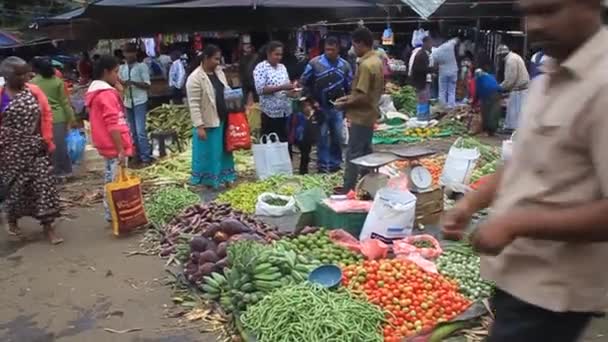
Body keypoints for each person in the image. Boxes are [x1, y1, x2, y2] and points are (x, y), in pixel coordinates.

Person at [442, 1, 608, 341]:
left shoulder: (602, 85)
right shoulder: (549, 76)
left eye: (548, 10)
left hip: (552, 293)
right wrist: (470, 203)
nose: (533, 25)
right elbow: (524, 159)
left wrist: (514, 224)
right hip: (515, 277)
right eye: (527, 12)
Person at [0, 57, 63, 244]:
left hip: (36, 148)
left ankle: (48, 228)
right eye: (18, 74)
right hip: (10, 152)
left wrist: (47, 139)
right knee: (15, 190)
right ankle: (12, 221)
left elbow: (46, 115)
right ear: (6, 75)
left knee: (44, 186)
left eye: (25, 73)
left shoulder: (33, 92)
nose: (23, 78)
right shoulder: (2, 95)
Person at [335, 27, 384, 192]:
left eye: (354, 45)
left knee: (353, 153)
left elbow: (362, 95)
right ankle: (367, 186)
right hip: (370, 113)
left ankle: (348, 188)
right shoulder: (377, 60)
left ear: (361, 44)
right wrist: (348, 98)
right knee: (366, 152)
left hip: (360, 115)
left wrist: (345, 103)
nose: (353, 49)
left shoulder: (365, 64)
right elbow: (366, 92)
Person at [86, 55, 134, 224]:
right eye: (115, 72)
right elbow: (113, 123)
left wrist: (119, 92)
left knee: (111, 178)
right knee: (115, 181)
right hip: (115, 145)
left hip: (107, 144)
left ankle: (112, 213)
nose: (117, 76)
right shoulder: (105, 94)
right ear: (106, 72)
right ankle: (116, 215)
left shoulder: (99, 93)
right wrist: (121, 149)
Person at [186, 44, 236, 189]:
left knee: (225, 151)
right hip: (207, 123)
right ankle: (208, 182)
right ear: (206, 58)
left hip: (223, 119)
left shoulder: (219, 72)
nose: (218, 62)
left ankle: (226, 177)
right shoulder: (195, 78)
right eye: (215, 59)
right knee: (208, 154)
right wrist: (199, 126)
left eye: (219, 59)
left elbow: (226, 90)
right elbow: (194, 104)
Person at [300, 36, 353, 173]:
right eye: (327, 49)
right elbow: (304, 83)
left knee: (337, 136)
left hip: (337, 108)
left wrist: (347, 105)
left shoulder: (345, 66)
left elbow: (349, 87)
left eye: (332, 50)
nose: (329, 52)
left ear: (338, 49)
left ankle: (335, 164)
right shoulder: (314, 63)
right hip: (319, 106)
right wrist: (311, 102)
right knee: (322, 137)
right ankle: (323, 165)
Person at [31, 58, 76, 179]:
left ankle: (53, 172)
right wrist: (71, 118)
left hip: (42, 118)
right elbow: (64, 102)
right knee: (61, 146)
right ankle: (66, 171)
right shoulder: (58, 81)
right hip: (58, 117)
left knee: (48, 147)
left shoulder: (33, 83)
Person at [253, 41, 294, 142]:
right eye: (276, 54)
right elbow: (260, 89)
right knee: (271, 142)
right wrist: (281, 87)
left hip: (285, 111)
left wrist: (293, 92)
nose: (279, 57)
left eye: (281, 54)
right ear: (268, 53)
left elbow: (286, 87)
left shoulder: (282, 67)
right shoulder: (261, 68)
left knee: (284, 142)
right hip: (270, 114)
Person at [119, 43, 153, 165]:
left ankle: (146, 157)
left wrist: (133, 83)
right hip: (127, 102)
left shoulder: (141, 67)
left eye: (130, 52)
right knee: (131, 131)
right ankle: (136, 155)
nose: (128, 55)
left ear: (135, 53)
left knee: (140, 131)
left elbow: (147, 85)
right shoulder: (122, 68)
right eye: (126, 52)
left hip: (140, 101)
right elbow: (118, 83)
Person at [496, 44, 529, 132]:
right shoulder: (514, 56)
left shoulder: (510, 61)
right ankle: (513, 128)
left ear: (502, 54)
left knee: (514, 112)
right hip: (522, 88)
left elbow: (510, 80)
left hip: (519, 89)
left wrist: (499, 88)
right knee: (518, 113)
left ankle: (511, 129)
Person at [288, 98, 319, 175]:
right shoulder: (295, 116)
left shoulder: (314, 116)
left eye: (309, 106)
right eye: (305, 106)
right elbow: (289, 128)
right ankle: (289, 169)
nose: (308, 108)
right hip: (296, 136)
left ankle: (303, 172)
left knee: (306, 154)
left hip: (306, 138)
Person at [432, 35, 459, 109]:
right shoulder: (449, 45)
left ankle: (442, 106)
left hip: (443, 72)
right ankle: (451, 105)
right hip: (453, 71)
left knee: (442, 90)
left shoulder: (435, 51)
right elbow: (456, 39)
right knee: (452, 90)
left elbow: (434, 65)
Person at [410, 36, 434, 121]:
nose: (431, 45)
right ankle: (422, 117)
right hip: (420, 81)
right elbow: (419, 69)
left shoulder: (423, 53)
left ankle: (423, 116)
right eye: (430, 43)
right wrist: (432, 69)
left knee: (424, 98)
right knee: (423, 99)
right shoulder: (421, 54)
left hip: (421, 80)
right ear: (426, 43)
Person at [473, 68, 502, 136]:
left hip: (488, 95)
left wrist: (473, 103)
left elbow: (477, 92)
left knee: (486, 112)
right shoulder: (490, 76)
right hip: (497, 93)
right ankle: (493, 130)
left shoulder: (479, 79)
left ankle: (487, 131)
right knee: (495, 112)